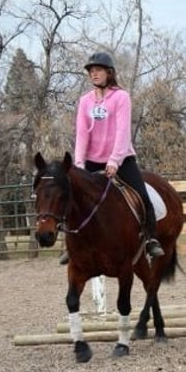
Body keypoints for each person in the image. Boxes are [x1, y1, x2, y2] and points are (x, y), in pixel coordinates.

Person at [58, 51, 164, 264]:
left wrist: (114, 161)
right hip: (91, 160)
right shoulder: (85, 101)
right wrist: (78, 164)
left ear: (109, 73)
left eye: (98, 70)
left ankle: (150, 239)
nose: (94, 74)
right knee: (72, 198)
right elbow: (81, 134)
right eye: (91, 71)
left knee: (142, 195)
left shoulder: (121, 97)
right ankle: (71, 244)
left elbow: (122, 132)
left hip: (122, 158)